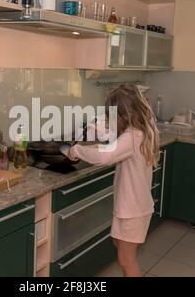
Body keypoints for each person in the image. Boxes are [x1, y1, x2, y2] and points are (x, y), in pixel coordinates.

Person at [61, 84, 160, 277]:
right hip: (132, 206)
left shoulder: (133, 136)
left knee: (126, 261)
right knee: (121, 249)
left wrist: (76, 150)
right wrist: (99, 133)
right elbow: (113, 146)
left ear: (124, 114)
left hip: (133, 210)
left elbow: (106, 156)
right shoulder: (140, 131)